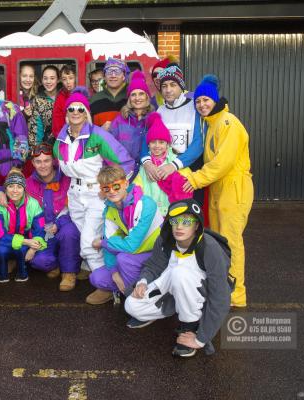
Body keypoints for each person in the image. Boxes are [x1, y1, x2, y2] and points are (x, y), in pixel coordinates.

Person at [124, 199, 232, 357]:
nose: (179, 227)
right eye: (175, 221)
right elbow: (154, 265)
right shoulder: (165, 240)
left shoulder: (209, 248)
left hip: (202, 294)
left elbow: (220, 297)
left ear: (197, 225)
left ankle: (190, 324)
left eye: (186, 221)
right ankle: (179, 306)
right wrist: (143, 282)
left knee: (179, 273)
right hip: (175, 285)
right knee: (132, 306)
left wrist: (201, 338)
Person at [182, 75, 253, 307]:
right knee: (220, 242)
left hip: (233, 187)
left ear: (215, 100)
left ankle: (237, 294)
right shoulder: (212, 123)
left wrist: (194, 179)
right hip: (219, 188)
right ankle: (223, 287)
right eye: (198, 101)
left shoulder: (228, 123)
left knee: (231, 242)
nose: (202, 104)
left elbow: (222, 163)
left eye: (206, 100)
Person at [53, 87, 134, 276]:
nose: (75, 112)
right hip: (75, 195)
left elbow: (125, 163)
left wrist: (110, 189)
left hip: (96, 195)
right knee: (89, 237)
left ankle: (104, 282)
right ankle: (93, 267)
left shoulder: (98, 136)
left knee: (89, 241)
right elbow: (63, 173)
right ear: (66, 113)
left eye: (80, 109)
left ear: (86, 113)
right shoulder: (60, 140)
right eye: (71, 109)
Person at [0, 143, 81, 291]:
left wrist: (59, 224)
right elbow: (12, 187)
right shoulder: (28, 183)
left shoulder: (67, 179)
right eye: (38, 161)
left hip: (63, 223)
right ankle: (56, 263)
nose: (43, 165)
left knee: (70, 232)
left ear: (53, 161)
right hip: (42, 229)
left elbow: (72, 205)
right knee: (39, 262)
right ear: (33, 163)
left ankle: (69, 273)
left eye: (46, 160)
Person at [86, 165, 162, 305]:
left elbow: (131, 246)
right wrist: (114, 273)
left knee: (124, 259)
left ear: (126, 183)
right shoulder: (110, 208)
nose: (112, 192)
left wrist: (103, 243)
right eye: (106, 188)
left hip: (155, 255)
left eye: (116, 186)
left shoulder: (146, 204)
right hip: (133, 253)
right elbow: (110, 241)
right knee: (97, 278)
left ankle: (140, 300)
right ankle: (127, 288)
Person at [142, 64, 205, 205]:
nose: (168, 90)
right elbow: (145, 141)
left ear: (181, 86)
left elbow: (199, 143)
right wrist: (146, 163)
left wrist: (174, 165)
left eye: (173, 85)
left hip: (189, 173)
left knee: (188, 219)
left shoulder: (195, 108)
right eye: (164, 86)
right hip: (163, 174)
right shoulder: (159, 112)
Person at [134, 112, 192, 216]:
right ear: (148, 144)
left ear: (168, 144)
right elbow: (138, 187)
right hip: (151, 213)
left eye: (161, 142)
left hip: (172, 210)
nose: (157, 146)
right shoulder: (145, 166)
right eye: (153, 142)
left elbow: (188, 181)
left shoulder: (174, 162)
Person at [0, 169, 46, 283]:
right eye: (11, 186)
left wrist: (32, 248)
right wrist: (27, 242)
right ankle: (2, 274)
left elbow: (40, 229)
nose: (15, 191)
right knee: (0, 250)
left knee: (22, 249)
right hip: (5, 240)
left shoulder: (33, 203)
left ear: (24, 188)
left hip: (25, 239)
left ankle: (22, 273)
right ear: (5, 188)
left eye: (19, 187)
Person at [109, 70, 155, 176]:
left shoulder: (154, 119)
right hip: (124, 174)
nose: (137, 98)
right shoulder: (119, 121)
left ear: (147, 96)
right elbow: (109, 148)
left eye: (141, 94)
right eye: (133, 95)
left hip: (147, 174)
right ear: (129, 98)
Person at [89, 58, 129, 130]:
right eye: (109, 72)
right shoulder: (94, 99)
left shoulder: (132, 97)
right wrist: (100, 131)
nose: (113, 76)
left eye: (117, 72)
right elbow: (87, 129)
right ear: (104, 77)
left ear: (124, 76)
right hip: (101, 141)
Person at [28, 66, 58, 147]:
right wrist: (37, 148)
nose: (48, 81)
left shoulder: (64, 96)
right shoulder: (38, 100)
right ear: (42, 80)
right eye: (45, 78)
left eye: (52, 78)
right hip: (47, 144)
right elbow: (36, 128)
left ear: (58, 80)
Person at [51, 64, 77, 141]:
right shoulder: (60, 97)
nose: (68, 82)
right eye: (64, 79)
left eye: (71, 78)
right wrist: (64, 138)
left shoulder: (83, 93)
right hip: (65, 138)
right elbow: (57, 123)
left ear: (76, 78)